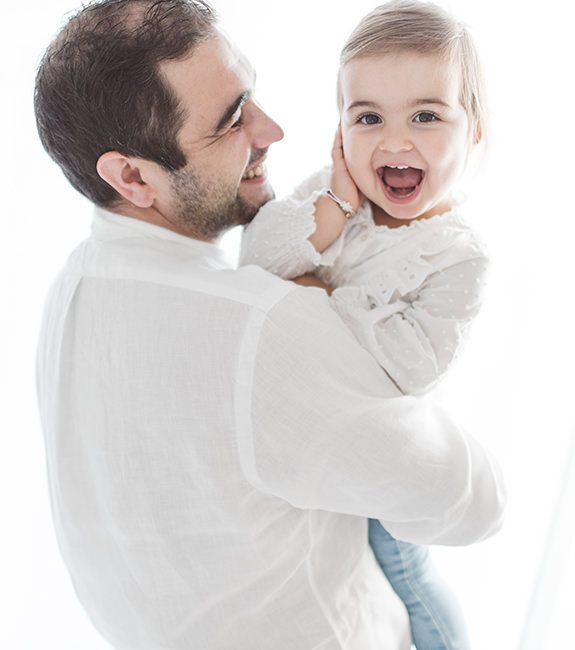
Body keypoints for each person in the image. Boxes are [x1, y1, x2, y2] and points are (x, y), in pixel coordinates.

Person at [34, 1, 505, 649]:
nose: (272, 129)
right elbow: (474, 502)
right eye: (231, 120)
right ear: (132, 176)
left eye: (249, 96)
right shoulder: (258, 328)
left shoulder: (77, 285)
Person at [240, 2, 490, 648]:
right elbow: (258, 260)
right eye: (368, 117)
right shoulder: (330, 196)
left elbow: (406, 367)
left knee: (403, 570)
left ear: (475, 133)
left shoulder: (456, 255)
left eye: (426, 116)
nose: (395, 140)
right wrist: (338, 203)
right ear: (339, 132)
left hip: (380, 444)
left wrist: (310, 295)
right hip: (306, 426)